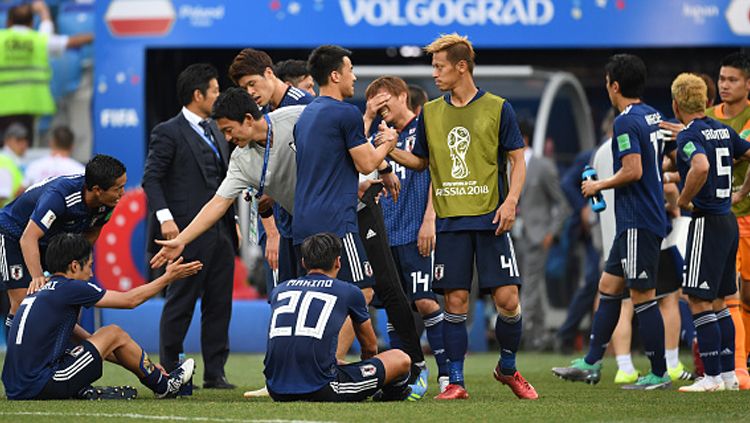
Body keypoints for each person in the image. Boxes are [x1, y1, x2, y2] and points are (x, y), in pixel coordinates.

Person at [388, 33, 537, 400]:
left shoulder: (499, 108)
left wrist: (512, 200)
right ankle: (456, 381)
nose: (434, 74)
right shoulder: (432, 113)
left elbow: (517, 159)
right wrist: (390, 150)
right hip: (451, 223)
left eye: (439, 67)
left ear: (461, 66)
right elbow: (422, 162)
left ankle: (507, 367)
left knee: (508, 301)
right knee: (455, 302)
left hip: (491, 219)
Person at [552, 54, 671, 390]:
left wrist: (597, 185)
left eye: (607, 83)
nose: (606, 88)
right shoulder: (652, 115)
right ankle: (591, 363)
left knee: (643, 297)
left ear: (614, 85)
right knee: (608, 286)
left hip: (637, 221)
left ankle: (659, 372)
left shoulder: (624, 122)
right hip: (638, 219)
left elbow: (633, 170)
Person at [1, 232, 201, 400]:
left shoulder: (42, 290)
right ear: (74, 266)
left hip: (15, 388)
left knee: (110, 337)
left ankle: (155, 379)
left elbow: (92, 341)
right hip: (41, 385)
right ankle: (165, 386)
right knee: (114, 332)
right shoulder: (70, 287)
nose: (91, 273)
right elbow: (129, 300)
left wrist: (145, 365)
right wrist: (168, 278)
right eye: (89, 266)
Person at [143, 63, 237, 390]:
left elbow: (226, 182)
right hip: (184, 233)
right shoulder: (168, 131)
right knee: (180, 301)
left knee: (220, 302)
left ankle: (216, 372)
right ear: (198, 95)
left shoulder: (218, 131)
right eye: (214, 91)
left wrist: (234, 223)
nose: (218, 96)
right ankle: (170, 369)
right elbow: (151, 178)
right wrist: (166, 219)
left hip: (222, 232)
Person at [363, 76, 449, 393]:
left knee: (425, 301)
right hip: (387, 233)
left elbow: (438, 172)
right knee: (394, 308)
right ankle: (410, 372)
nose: (381, 107)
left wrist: (430, 218)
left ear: (402, 97)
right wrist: (372, 121)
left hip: (417, 230)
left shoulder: (424, 126)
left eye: (384, 101)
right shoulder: (377, 135)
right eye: (375, 103)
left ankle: (448, 374)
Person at [670, 73, 750, 391]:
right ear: (706, 101)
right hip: (729, 220)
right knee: (719, 301)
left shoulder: (688, 135)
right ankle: (729, 375)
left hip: (707, 221)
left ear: (676, 105)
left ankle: (712, 377)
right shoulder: (723, 129)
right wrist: (741, 193)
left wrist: (684, 198)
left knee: (698, 300)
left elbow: (700, 166)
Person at [264, 232, 412, 402]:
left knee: (336, 364)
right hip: (321, 387)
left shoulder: (280, 289)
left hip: (275, 387)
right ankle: (391, 395)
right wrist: (364, 369)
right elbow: (370, 347)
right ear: (338, 262)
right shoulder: (348, 291)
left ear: (304, 263)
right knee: (401, 359)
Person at [0, 154, 125, 336]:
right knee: (23, 303)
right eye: (118, 188)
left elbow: (92, 232)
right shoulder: (60, 196)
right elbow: (28, 238)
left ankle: (61, 353)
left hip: (48, 240)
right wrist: (38, 278)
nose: (122, 193)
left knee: (70, 293)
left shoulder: (108, 202)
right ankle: (17, 361)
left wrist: (76, 263)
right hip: (14, 234)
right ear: (98, 190)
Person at [228, 48, 313, 289]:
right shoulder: (258, 114)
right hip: (280, 228)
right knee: (283, 297)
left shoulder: (305, 106)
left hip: (309, 225)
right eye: (244, 88)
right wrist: (272, 232)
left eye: (252, 84)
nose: (250, 93)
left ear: (269, 73)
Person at [706, 52, 750, 389]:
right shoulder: (708, 117)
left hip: (747, 215)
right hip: (721, 218)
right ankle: (736, 369)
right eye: (721, 79)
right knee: (727, 293)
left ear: (748, 84)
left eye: (732, 79)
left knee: (746, 295)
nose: (724, 85)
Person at [0, 0, 93, 145]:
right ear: (31, 23)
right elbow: (72, 41)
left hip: (3, 105)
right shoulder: (40, 40)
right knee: (23, 149)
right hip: (30, 106)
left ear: (8, 22)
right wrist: (44, 13)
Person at [514, 119, 570, 350]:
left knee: (529, 286)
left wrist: (551, 233)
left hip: (537, 236)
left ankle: (520, 335)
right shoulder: (507, 165)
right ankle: (540, 336)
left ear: (522, 138)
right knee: (525, 287)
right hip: (512, 235)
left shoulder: (543, 166)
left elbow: (563, 204)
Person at [0, 123, 29, 206]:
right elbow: (2, 196)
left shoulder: (16, 160)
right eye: (18, 140)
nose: (23, 143)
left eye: (25, 139)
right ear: (7, 141)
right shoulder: (3, 160)